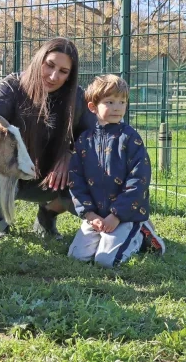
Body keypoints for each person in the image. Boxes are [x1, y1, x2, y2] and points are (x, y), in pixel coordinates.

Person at [0, 37, 96, 239]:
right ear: (38, 59)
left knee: (92, 173)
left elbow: (94, 137)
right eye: (49, 65)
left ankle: (48, 213)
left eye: (63, 71)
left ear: (70, 75)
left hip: (51, 179)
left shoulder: (76, 97)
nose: (53, 76)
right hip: (10, 173)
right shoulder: (13, 85)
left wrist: (71, 154)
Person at [67, 74, 165, 267]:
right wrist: (89, 214)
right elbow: (75, 180)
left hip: (125, 214)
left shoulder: (131, 138)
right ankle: (108, 234)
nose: (117, 107)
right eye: (110, 102)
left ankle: (140, 234)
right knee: (77, 257)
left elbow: (139, 180)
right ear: (93, 107)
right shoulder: (84, 141)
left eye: (122, 102)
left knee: (106, 261)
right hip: (96, 216)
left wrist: (117, 215)